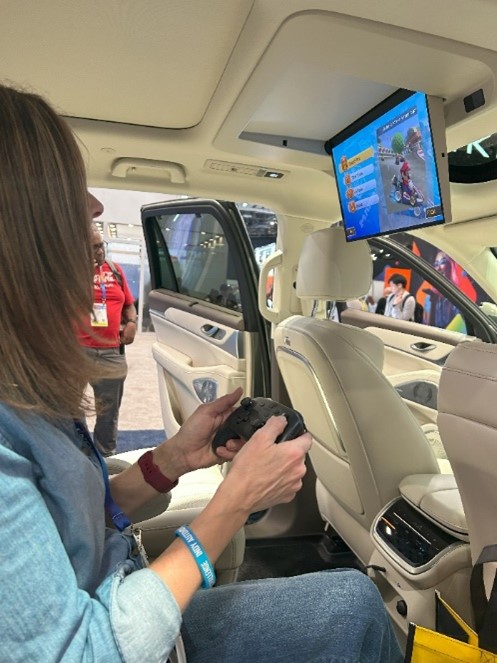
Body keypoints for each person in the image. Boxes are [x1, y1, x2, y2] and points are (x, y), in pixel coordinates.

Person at [0, 84, 403, 663]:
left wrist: (171, 463)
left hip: (123, 600)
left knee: (352, 601)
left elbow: (76, 529)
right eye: (68, 186)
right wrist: (232, 505)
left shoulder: (22, 387)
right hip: (119, 636)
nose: (92, 206)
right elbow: (82, 652)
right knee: (355, 605)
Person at [79, 228, 137, 456]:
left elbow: (128, 304)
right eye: (93, 247)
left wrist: (131, 321)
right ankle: (79, 453)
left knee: (109, 413)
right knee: (71, 409)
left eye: (101, 245)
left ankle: (105, 456)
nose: (100, 251)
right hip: (78, 351)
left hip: (112, 352)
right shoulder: (72, 273)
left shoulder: (115, 271)